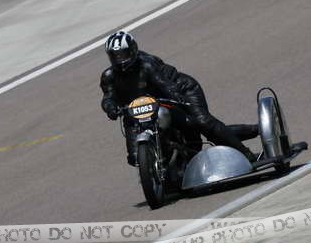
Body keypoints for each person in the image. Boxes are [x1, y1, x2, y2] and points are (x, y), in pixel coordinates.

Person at [100, 30, 259, 166]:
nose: (120, 60)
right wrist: (110, 108)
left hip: (181, 90)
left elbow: (164, 85)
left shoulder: (147, 64)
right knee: (134, 158)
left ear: (133, 50)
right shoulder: (108, 76)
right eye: (115, 56)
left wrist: (178, 98)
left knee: (202, 123)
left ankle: (246, 153)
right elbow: (107, 98)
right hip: (142, 107)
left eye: (123, 54)